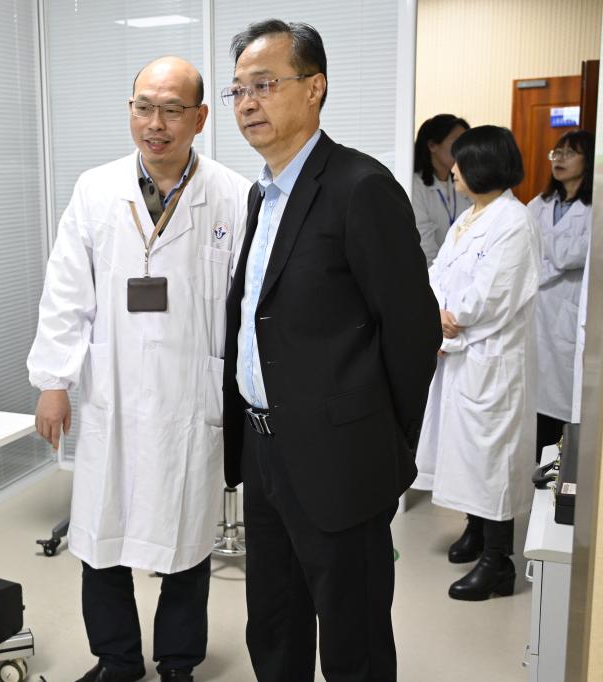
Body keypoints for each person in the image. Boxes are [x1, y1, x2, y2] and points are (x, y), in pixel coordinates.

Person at [220, 20, 441, 681]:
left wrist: (384, 444)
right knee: (274, 624)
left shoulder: (359, 187)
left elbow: (413, 329)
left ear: (314, 87)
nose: (248, 103)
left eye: (264, 85)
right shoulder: (262, 193)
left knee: (354, 640)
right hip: (264, 448)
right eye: (238, 90)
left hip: (342, 459)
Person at [27, 56, 250, 682]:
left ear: (199, 118)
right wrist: (53, 381)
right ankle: (118, 660)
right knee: (101, 532)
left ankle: (178, 664)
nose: (156, 123)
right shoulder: (96, 189)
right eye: (144, 107)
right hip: (113, 389)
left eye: (172, 110)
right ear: (130, 110)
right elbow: (66, 291)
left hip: (191, 392)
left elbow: (250, 306)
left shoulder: (233, 195)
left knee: (188, 538)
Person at [415, 125, 540, 601]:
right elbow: (437, 272)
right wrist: (435, 311)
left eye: (461, 162)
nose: (453, 170)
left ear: (485, 165)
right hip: (461, 353)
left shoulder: (514, 221)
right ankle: (476, 527)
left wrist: (454, 318)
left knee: (493, 457)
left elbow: (496, 292)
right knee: (465, 451)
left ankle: (498, 560)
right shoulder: (470, 217)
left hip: (491, 357)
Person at [528, 130, 594, 462]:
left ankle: (557, 475)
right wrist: (550, 254)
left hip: (568, 314)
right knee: (534, 404)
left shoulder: (594, 208)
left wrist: (546, 249)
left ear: (588, 160)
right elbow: (526, 253)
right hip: (536, 313)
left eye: (569, 153)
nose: (560, 159)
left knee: (563, 406)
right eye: (557, 152)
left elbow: (572, 255)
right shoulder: (537, 205)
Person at [412, 114, 473, 265]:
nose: (463, 150)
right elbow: (424, 246)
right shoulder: (414, 186)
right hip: (430, 272)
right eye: (457, 142)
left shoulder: (463, 183)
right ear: (432, 145)